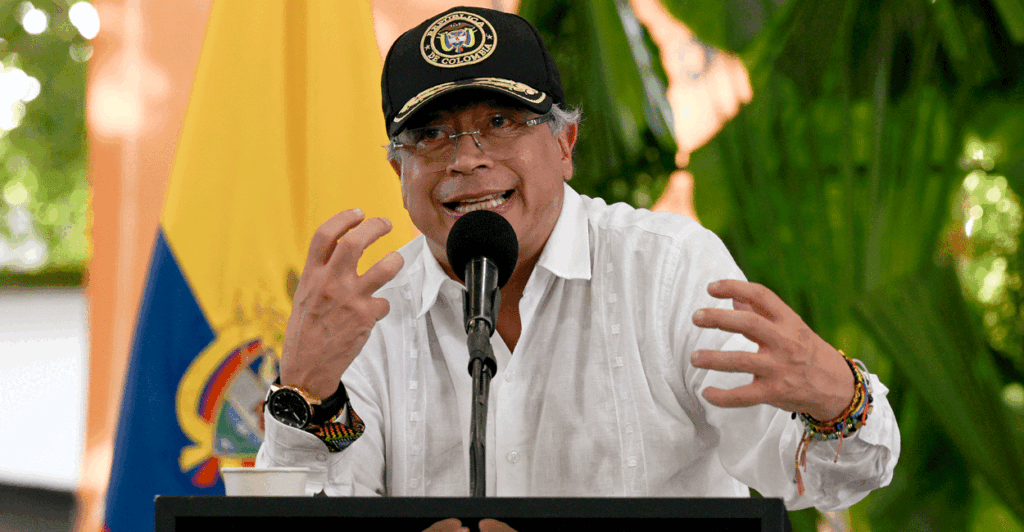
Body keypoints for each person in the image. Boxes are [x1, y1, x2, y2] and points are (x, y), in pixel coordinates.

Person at [256, 5, 899, 512]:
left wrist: (841, 401)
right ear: (397, 169)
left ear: (565, 143)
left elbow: (820, 477)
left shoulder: (667, 270)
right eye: (431, 135)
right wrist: (306, 396)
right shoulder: (368, 310)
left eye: (501, 122)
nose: (466, 158)